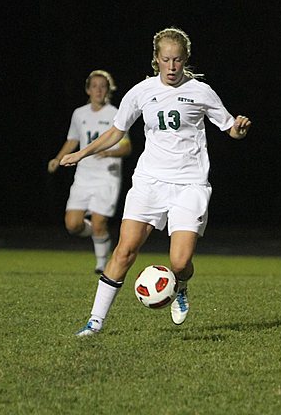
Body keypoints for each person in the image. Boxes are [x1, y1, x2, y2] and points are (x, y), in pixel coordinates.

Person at [60, 28, 252, 336]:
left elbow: (229, 126)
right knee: (124, 251)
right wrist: (82, 153)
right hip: (150, 181)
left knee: (180, 262)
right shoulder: (141, 92)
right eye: (166, 60)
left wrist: (239, 130)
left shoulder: (201, 91)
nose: (172, 67)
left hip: (189, 184)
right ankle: (94, 322)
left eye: (178, 60)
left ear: (185, 59)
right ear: (156, 60)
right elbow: (115, 132)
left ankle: (182, 286)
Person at [48, 70, 132, 274]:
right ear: (88, 89)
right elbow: (73, 140)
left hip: (107, 176)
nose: (98, 90)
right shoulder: (79, 114)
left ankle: (101, 263)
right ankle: (99, 236)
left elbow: (127, 147)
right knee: (72, 224)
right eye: (94, 86)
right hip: (84, 176)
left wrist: (109, 152)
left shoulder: (115, 113)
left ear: (108, 90)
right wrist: (58, 159)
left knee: (99, 221)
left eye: (102, 86)